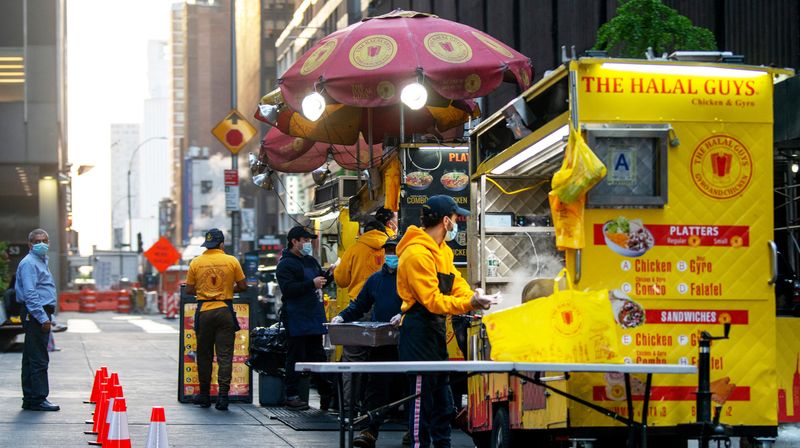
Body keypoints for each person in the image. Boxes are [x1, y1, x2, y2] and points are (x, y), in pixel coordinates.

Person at [396, 196, 493, 448]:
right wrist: (470, 304)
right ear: (446, 221)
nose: (458, 223)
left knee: (443, 403)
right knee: (421, 404)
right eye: (456, 218)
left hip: (436, 332)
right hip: (417, 333)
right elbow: (432, 301)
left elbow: (456, 285)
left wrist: (475, 296)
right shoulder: (416, 254)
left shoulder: (444, 251)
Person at [331, 238, 403, 448]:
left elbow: (420, 301)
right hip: (381, 342)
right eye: (388, 251)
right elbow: (360, 304)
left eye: (395, 251)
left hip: (408, 341)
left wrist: (403, 314)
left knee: (409, 388)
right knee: (376, 387)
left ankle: (413, 432)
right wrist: (342, 316)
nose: (391, 255)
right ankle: (369, 430)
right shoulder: (375, 280)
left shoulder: (410, 277)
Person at [185, 228, 247, 411]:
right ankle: (223, 398)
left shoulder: (196, 262)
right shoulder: (231, 260)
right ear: (222, 244)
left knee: (204, 355)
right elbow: (243, 286)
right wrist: (228, 289)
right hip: (224, 311)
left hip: (204, 311)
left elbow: (189, 290)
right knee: (225, 356)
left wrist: (205, 291)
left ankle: (204, 396)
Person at [276, 225, 335, 411]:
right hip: (296, 316)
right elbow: (289, 289)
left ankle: (327, 395)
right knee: (296, 355)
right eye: (305, 240)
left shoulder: (310, 261)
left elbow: (319, 283)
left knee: (317, 356)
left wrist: (329, 276)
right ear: (295, 241)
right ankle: (291, 394)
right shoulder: (285, 264)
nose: (308, 244)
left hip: (314, 314)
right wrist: (312, 283)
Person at [333, 218, 389, 411]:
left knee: (353, 359)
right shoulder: (391, 248)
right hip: (386, 312)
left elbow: (340, 280)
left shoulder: (355, 249)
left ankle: (349, 407)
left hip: (358, 309)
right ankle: (380, 408)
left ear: (364, 232)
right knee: (384, 361)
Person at [16, 228, 59, 411]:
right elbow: (31, 294)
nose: (41, 244)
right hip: (35, 314)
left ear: (48, 243)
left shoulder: (40, 261)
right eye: (37, 241)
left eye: (44, 240)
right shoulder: (29, 263)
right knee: (39, 358)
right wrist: (42, 318)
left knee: (31, 356)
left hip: (39, 312)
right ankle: (38, 398)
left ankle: (31, 398)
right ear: (30, 244)